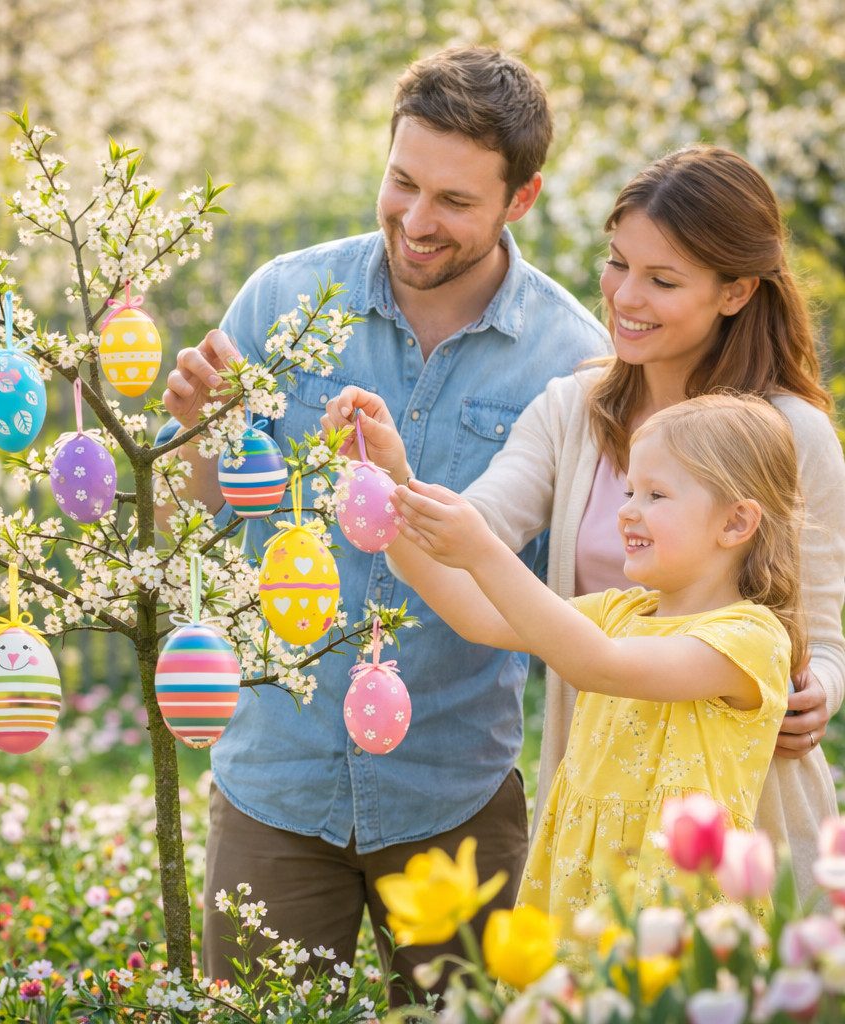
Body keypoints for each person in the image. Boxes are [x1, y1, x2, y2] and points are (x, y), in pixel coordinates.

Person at [160, 46, 609, 999]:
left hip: (456, 796)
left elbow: (574, 590)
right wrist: (201, 429)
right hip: (276, 785)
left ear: (519, 201)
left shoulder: (573, 361)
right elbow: (183, 502)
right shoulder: (287, 300)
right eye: (401, 181)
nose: (415, 218)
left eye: (454, 200)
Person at [323, 145, 845, 903]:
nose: (625, 297)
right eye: (617, 264)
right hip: (603, 835)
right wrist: (391, 486)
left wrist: (816, 689)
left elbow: (822, 629)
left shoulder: (792, 434)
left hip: (738, 840)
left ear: (735, 292)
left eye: (662, 280)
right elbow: (480, 562)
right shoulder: (574, 412)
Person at [388, 394, 798, 935]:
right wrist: (391, 481)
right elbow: (476, 614)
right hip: (581, 884)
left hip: (673, 912)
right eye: (629, 490)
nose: (627, 509)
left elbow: (598, 665)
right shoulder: (618, 610)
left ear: (736, 522)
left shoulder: (749, 639)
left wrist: (483, 550)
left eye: (656, 495)